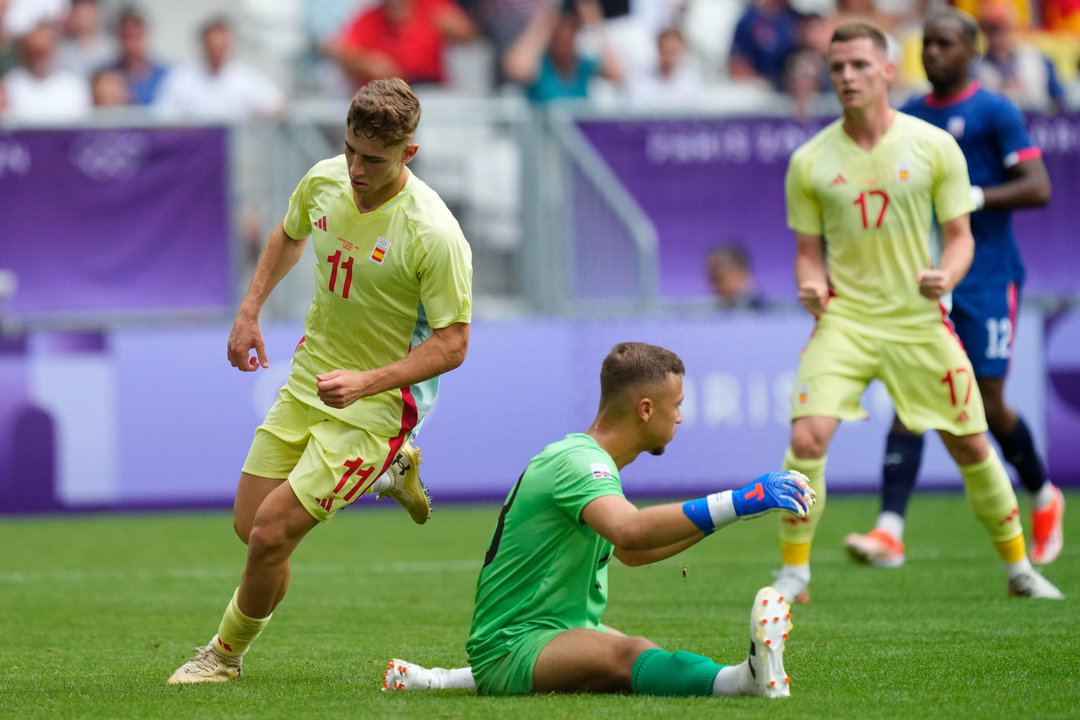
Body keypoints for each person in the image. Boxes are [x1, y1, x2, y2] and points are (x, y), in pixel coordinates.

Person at [167, 77, 474, 684]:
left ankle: (222, 658)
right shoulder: (326, 178)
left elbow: (453, 344)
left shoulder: (434, 234)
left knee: (270, 534)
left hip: (379, 405)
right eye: (351, 150)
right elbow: (289, 231)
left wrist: (367, 383)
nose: (356, 168)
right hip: (311, 376)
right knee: (250, 525)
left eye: (374, 159)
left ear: (408, 154)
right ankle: (390, 474)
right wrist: (249, 310)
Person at [774, 21, 1062, 604]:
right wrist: (810, 285)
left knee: (972, 444)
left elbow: (961, 239)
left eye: (859, 65)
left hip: (918, 319)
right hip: (847, 321)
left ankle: (1019, 571)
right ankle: (794, 574)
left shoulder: (933, 147)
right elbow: (808, 257)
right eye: (837, 68)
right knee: (806, 439)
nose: (847, 77)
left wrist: (947, 275)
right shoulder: (808, 160)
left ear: (886, 71)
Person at [380, 342, 816, 697]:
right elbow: (631, 530)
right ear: (646, 409)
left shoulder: (590, 461)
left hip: (551, 631)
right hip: (516, 644)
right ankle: (745, 682)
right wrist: (742, 500)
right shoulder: (580, 463)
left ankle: (442, 678)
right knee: (631, 656)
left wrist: (735, 514)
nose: (680, 416)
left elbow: (630, 551)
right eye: (676, 404)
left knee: (643, 660)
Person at [844, 9, 1064, 569]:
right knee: (911, 400)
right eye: (927, 44)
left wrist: (971, 196)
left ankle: (1042, 494)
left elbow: (1038, 186)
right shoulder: (910, 115)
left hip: (988, 277)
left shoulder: (995, 111)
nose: (933, 53)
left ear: (972, 50)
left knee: (987, 405)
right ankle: (889, 531)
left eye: (944, 43)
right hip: (928, 281)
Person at [323, 0, 478, 89]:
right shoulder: (369, 19)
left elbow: (468, 34)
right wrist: (366, 62)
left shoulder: (431, 8)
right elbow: (338, 49)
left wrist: (458, 29)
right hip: (385, 102)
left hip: (429, 94)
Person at [154, 15, 284, 121]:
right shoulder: (181, 78)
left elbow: (274, 103)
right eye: (212, 46)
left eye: (221, 46)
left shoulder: (244, 79)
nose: (216, 52)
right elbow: (163, 116)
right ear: (203, 45)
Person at [503, 0, 623, 103]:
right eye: (559, 38)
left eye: (569, 38)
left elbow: (617, 74)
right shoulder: (541, 67)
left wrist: (595, 24)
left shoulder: (582, 65)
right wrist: (546, 18)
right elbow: (515, 67)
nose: (564, 43)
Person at [4, 21, 91, 121]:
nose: (41, 58)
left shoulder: (74, 86)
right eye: (35, 51)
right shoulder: (10, 85)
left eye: (45, 50)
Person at [108, 7, 168, 106]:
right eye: (126, 36)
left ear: (145, 36)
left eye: (136, 36)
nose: (131, 43)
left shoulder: (166, 77)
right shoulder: (106, 76)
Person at [706, 243, 764, 310]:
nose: (714, 286)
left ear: (742, 271)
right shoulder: (725, 306)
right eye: (712, 279)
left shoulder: (754, 306)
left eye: (718, 279)